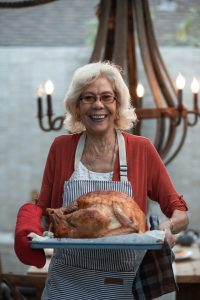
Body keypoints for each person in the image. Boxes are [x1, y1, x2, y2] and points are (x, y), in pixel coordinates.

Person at [14, 61, 189, 300]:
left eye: (107, 97)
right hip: (67, 283)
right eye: (88, 98)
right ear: (77, 106)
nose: (98, 105)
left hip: (123, 284)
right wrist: (27, 225)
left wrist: (166, 228)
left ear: (117, 105)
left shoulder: (141, 149)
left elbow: (179, 212)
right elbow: (46, 210)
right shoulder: (62, 148)